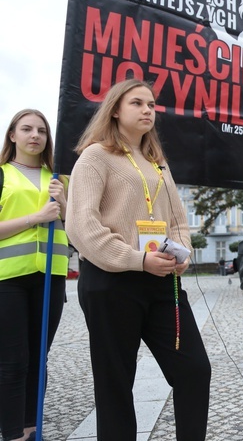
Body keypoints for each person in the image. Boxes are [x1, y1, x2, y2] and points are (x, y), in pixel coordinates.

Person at [66, 79, 211, 441]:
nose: (149, 110)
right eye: (138, 103)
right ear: (115, 109)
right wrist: (134, 259)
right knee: (115, 385)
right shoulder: (95, 156)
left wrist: (181, 254)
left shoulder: (157, 163)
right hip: (111, 281)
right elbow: (82, 224)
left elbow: (178, 220)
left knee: (194, 369)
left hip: (162, 280)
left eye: (152, 104)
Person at [0, 110, 68, 441]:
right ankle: (13, 433)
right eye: (26, 129)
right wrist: (36, 216)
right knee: (13, 360)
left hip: (50, 278)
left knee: (39, 358)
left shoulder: (58, 177)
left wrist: (65, 207)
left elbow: (75, 227)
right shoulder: (2, 175)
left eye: (41, 130)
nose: (35, 135)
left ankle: (31, 428)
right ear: (12, 135)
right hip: (7, 280)